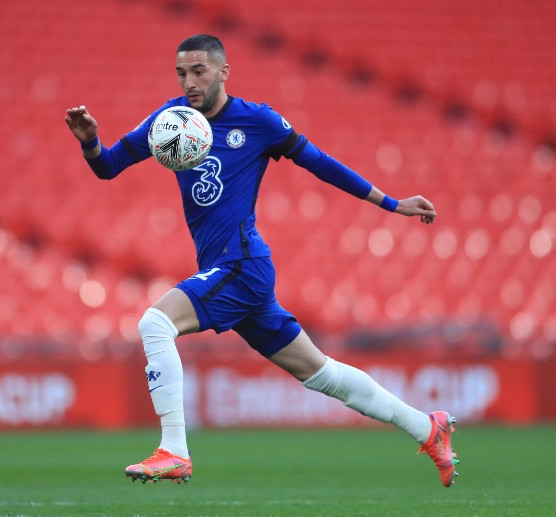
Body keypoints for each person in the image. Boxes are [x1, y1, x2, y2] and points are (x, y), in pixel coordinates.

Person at [65, 34, 459, 488]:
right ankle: (427, 428)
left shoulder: (258, 121)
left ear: (223, 72)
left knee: (155, 323)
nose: (189, 82)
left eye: (199, 71)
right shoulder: (170, 121)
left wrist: (390, 203)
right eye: (181, 73)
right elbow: (108, 166)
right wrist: (91, 143)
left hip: (241, 264)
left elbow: (320, 163)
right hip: (229, 269)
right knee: (320, 374)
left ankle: (174, 450)